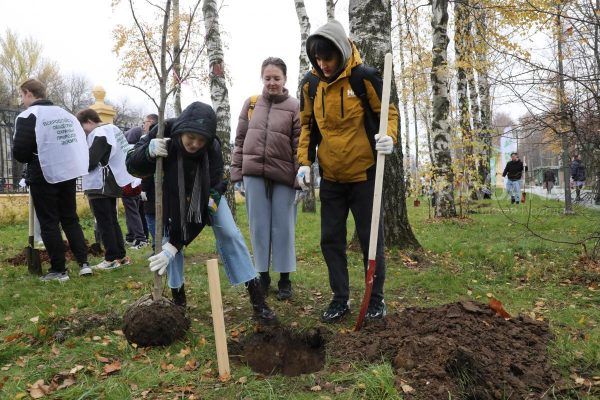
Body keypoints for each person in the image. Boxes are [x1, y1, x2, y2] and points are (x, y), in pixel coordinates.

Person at [126, 101, 276, 324]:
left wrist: (175, 246)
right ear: (182, 129)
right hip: (171, 196)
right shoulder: (162, 131)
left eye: (201, 140)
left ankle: (258, 300)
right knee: (169, 236)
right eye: (190, 137)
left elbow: (211, 197)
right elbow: (131, 165)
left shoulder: (212, 148)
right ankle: (179, 301)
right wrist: (147, 153)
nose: (195, 144)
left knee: (230, 233)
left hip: (205, 192)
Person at [297, 20, 398, 323]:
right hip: (331, 178)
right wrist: (304, 162)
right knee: (331, 239)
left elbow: (388, 113)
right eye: (317, 58)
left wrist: (388, 137)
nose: (323, 64)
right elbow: (306, 125)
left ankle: (375, 299)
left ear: (340, 52)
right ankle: (340, 298)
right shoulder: (310, 85)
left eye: (328, 58)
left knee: (371, 240)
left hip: (365, 176)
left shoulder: (364, 78)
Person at [231, 57, 300, 301]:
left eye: (277, 78)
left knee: (283, 227)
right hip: (254, 174)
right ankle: (262, 275)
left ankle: (284, 279)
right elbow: (239, 140)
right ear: (262, 78)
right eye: (268, 78)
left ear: (285, 80)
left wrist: (301, 174)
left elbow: (298, 144)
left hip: (283, 175)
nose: (272, 83)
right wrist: (237, 173)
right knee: (258, 227)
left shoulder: (294, 106)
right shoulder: (251, 104)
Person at [13, 79, 91, 281]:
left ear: (29, 93)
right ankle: (84, 263)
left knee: (49, 221)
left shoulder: (29, 115)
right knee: (70, 217)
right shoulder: (66, 115)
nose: (22, 101)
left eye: (22, 96)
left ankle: (59, 269)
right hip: (67, 172)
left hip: (43, 174)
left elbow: (20, 153)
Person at [76, 108, 136, 270]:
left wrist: (78, 161)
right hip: (112, 181)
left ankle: (111, 258)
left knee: (104, 222)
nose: (84, 132)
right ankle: (120, 256)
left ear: (89, 121)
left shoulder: (100, 132)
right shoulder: (112, 129)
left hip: (100, 184)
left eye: (83, 128)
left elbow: (92, 160)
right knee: (111, 220)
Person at [122, 125, 149, 249]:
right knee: (135, 213)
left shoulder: (128, 149)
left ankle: (140, 238)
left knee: (132, 214)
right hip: (136, 187)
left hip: (128, 187)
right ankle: (132, 236)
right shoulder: (139, 148)